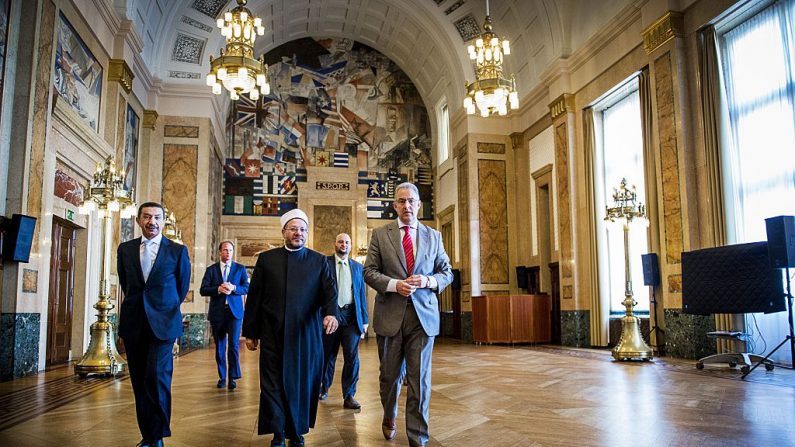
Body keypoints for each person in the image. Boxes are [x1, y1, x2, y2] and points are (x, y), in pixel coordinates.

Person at [363, 182, 453, 447]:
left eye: (411, 201)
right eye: (401, 201)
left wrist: (427, 281)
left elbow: (446, 273)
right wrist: (394, 285)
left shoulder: (433, 236)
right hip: (390, 317)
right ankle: (389, 414)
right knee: (389, 378)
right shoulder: (380, 235)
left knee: (420, 380)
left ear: (418, 204)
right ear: (395, 206)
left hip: (423, 319)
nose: (407, 206)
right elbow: (369, 271)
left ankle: (418, 437)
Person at [243, 209, 339, 447]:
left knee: (301, 386)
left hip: (305, 337)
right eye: (294, 229)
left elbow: (330, 294)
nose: (299, 233)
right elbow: (255, 297)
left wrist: (331, 315)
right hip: (272, 335)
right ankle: (278, 433)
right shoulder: (266, 259)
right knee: (272, 385)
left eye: (303, 229)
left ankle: (297, 433)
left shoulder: (319, 261)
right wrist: (251, 332)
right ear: (283, 231)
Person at [117, 202, 191, 447]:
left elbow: (181, 289)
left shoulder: (177, 251)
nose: (152, 222)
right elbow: (127, 284)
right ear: (138, 220)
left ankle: (157, 436)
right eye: (147, 217)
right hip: (134, 323)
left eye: (157, 217)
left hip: (164, 324)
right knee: (139, 380)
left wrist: (161, 307)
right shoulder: (125, 249)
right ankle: (147, 435)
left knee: (156, 378)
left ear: (163, 221)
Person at [319, 233, 369, 410]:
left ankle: (349, 395)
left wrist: (364, 319)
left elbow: (361, 293)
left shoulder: (357, 267)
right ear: (335, 244)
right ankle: (323, 387)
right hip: (330, 317)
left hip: (351, 317)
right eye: (341, 241)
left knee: (352, 357)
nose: (344, 245)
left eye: (347, 242)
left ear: (351, 245)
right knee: (327, 355)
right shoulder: (324, 263)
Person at [199, 241, 249, 390]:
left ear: (233, 252)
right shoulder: (211, 270)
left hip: (234, 313)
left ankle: (232, 377)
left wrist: (234, 288)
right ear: (220, 252)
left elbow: (246, 288)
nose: (228, 253)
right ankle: (222, 377)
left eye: (230, 250)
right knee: (220, 346)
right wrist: (218, 289)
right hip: (218, 313)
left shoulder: (240, 269)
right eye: (225, 250)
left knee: (233, 346)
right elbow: (203, 290)